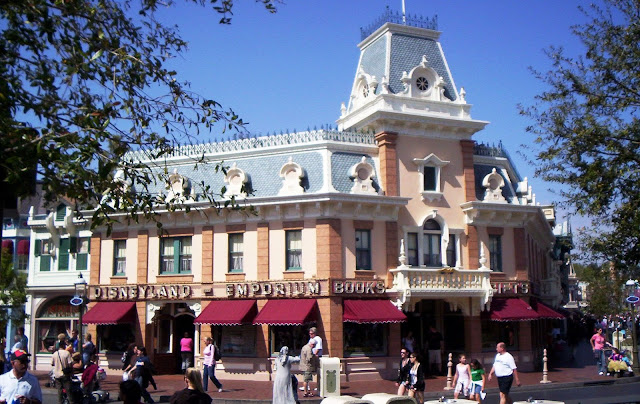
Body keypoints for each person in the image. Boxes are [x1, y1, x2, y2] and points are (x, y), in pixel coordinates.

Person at [51, 340, 75, 404]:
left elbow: (52, 364)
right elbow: (70, 363)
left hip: (57, 374)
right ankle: (71, 401)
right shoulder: (67, 353)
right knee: (68, 390)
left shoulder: (55, 354)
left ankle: (60, 402)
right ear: (64, 346)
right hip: (65, 374)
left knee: (60, 390)